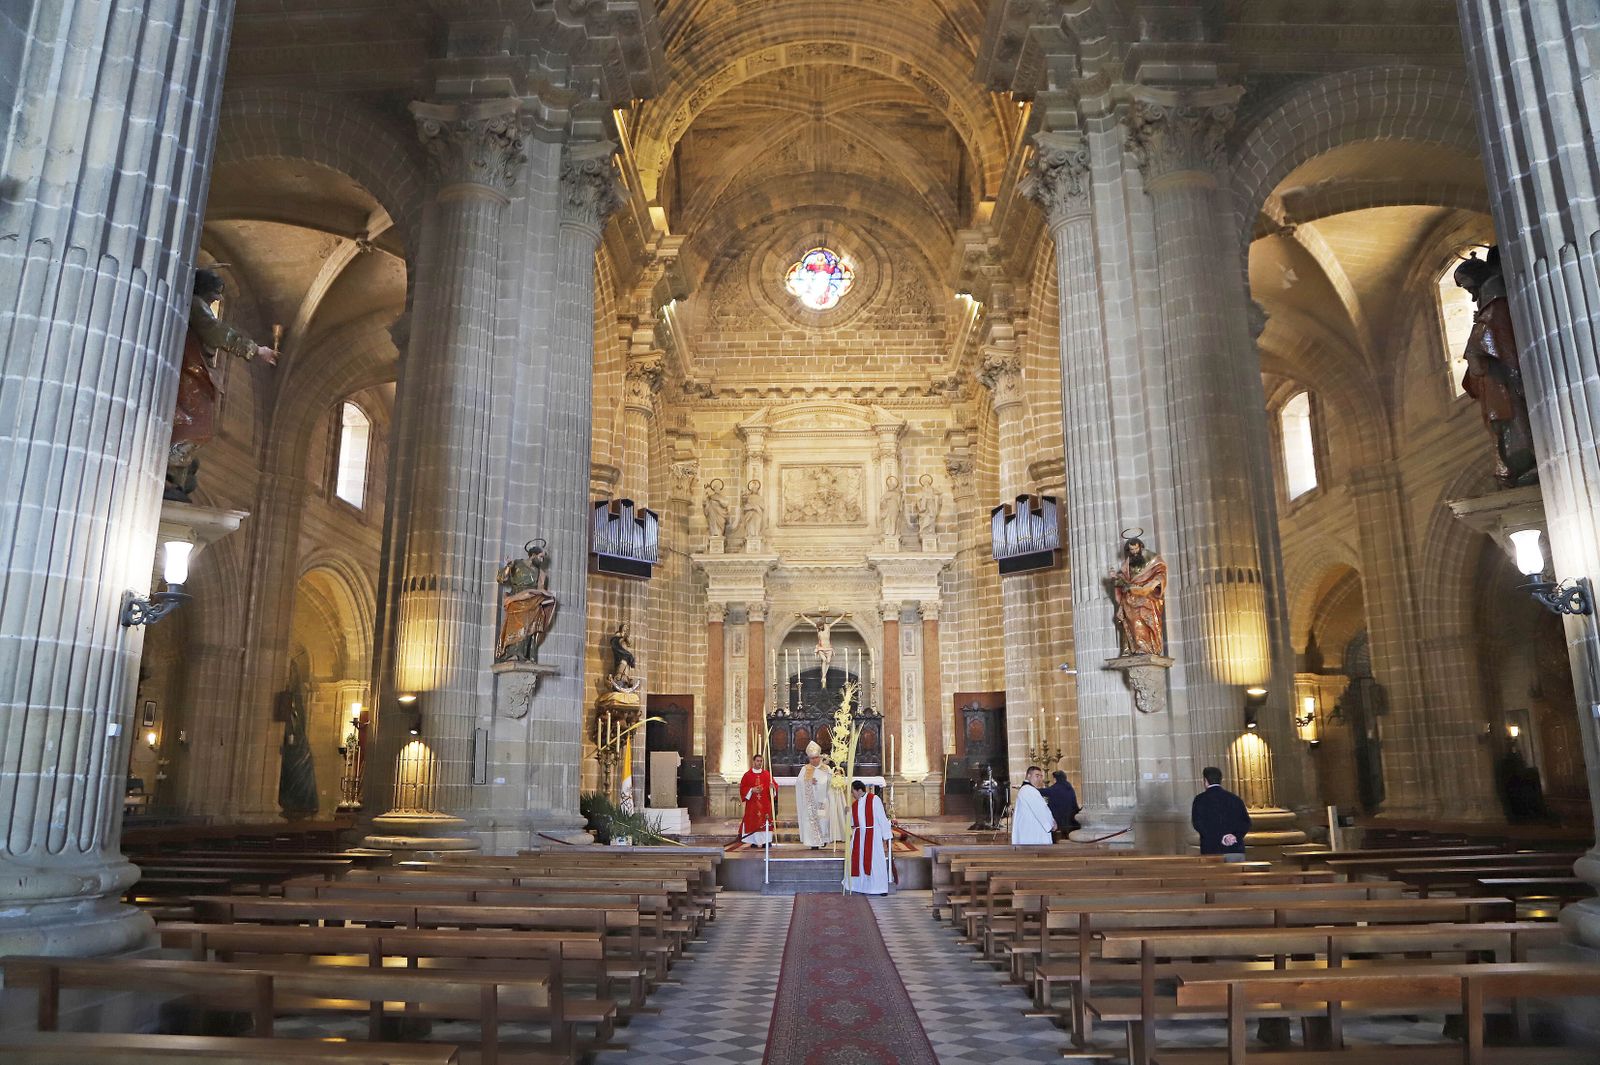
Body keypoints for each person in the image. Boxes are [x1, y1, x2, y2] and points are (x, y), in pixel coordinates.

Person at [1111, 534, 1168, 656]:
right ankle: (1137, 647)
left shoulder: (1153, 561)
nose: (1134, 552)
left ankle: (1147, 648)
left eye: (1136, 549)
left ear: (1141, 547)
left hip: (1146, 597)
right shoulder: (1127, 566)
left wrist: (1154, 583)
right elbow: (1124, 581)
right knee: (1133, 623)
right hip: (1130, 598)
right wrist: (1116, 578)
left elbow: (1160, 573)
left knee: (1144, 621)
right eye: (1132, 550)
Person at [1191, 766, 1252, 860]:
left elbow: (1198, 824)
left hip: (1211, 850)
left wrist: (1220, 838)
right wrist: (1234, 836)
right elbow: (1246, 822)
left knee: (1214, 875)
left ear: (1205, 781)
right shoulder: (1235, 799)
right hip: (1235, 849)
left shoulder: (1200, 800)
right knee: (1237, 874)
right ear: (1221, 779)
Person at [845, 780, 892, 895]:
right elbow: (853, 823)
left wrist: (885, 838)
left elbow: (881, 818)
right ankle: (862, 887)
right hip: (859, 837)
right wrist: (848, 813)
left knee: (876, 862)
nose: (852, 795)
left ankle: (880, 888)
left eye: (853, 792)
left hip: (873, 836)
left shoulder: (874, 799)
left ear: (859, 790)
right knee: (859, 863)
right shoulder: (855, 805)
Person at [796, 741, 835, 848]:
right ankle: (814, 843)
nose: (814, 760)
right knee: (811, 821)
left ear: (820, 757)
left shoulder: (826, 769)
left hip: (823, 801)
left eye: (816, 757)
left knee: (823, 820)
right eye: (812, 758)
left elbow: (832, 782)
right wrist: (808, 782)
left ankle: (824, 839)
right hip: (810, 802)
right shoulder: (805, 769)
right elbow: (799, 783)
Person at [736, 754, 777, 848]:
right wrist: (751, 790)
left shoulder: (767, 774)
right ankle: (754, 841)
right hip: (753, 804)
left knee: (765, 821)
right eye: (757, 761)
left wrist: (773, 788)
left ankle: (767, 841)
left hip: (765, 804)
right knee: (753, 820)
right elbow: (742, 788)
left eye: (761, 761)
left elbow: (774, 786)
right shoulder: (747, 775)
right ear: (753, 762)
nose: (759, 763)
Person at [1010, 765, 1054, 845]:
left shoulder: (1027, 789)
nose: (1039, 779)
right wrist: (1051, 824)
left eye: (1041, 776)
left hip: (1029, 834)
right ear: (1028, 776)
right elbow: (1041, 810)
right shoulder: (1029, 790)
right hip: (1032, 836)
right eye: (1037, 776)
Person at [1041, 769, 1081, 837]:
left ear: (1055, 778)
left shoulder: (1056, 787)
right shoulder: (1069, 787)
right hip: (1071, 819)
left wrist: (1029, 787)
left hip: (1060, 821)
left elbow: (1043, 792)